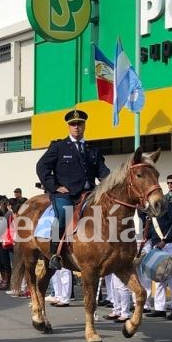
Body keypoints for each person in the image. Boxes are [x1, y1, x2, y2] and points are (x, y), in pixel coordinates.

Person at [35, 109, 110, 269]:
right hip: (65, 195)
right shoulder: (59, 147)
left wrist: (111, 183)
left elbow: (102, 171)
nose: (77, 127)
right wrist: (54, 186)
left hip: (89, 193)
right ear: (69, 127)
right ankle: (55, 253)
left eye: (80, 124)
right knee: (63, 213)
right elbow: (42, 167)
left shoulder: (93, 149)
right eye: (73, 124)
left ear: (85, 125)